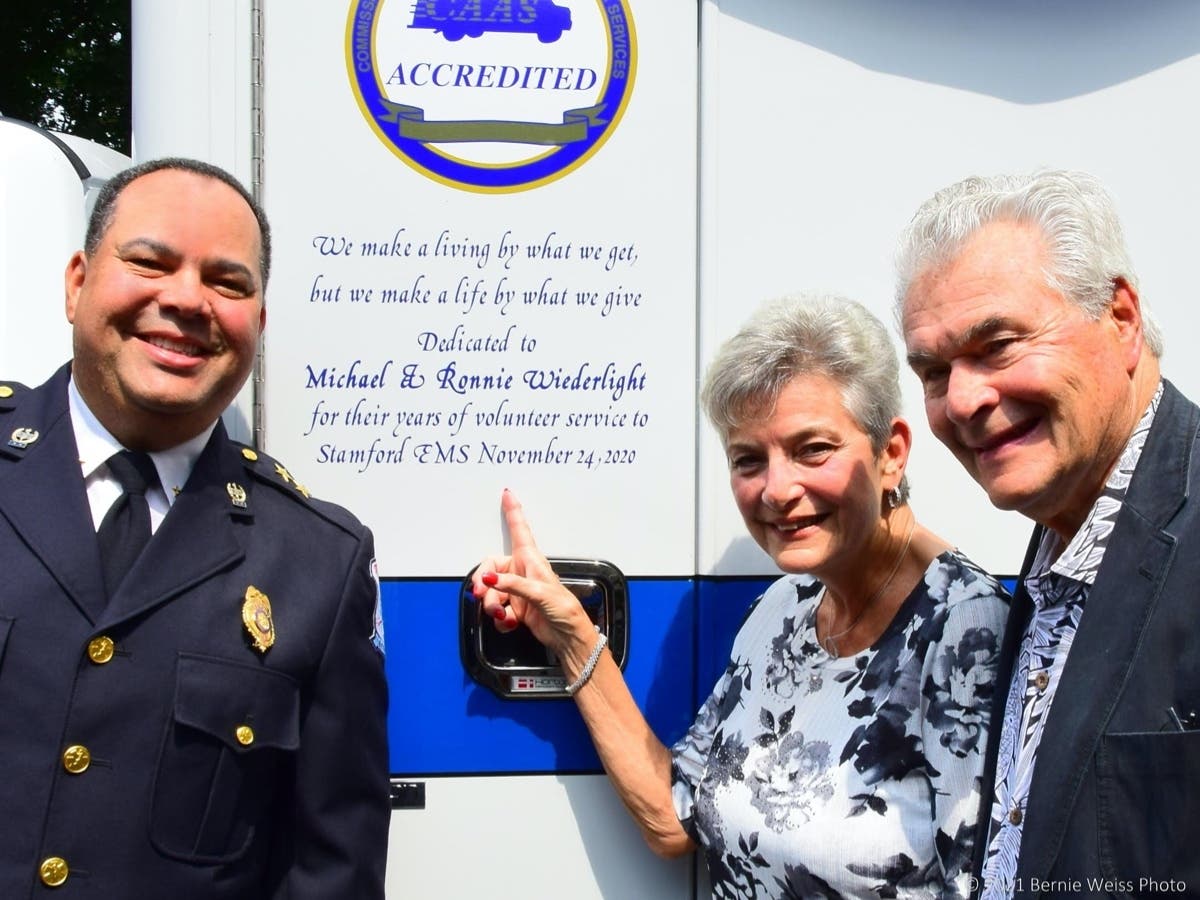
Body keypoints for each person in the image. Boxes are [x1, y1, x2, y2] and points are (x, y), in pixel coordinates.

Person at [473, 293, 1009, 899]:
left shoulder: (967, 631)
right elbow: (677, 819)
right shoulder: (781, 611)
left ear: (890, 452)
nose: (777, 490)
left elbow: (991, 883)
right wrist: (571, 638)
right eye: (748, 459)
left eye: (812, 449)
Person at [0, 158, 389, 897]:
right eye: (149, 261)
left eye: (228, 282)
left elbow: (330, 872)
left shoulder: (319, 562)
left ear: (259, 321)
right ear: (77, 281)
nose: (185, 300)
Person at [897, 169, 1197, 898]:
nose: (963, 400)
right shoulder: (1060, 531)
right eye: (935, 371)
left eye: (997, 344)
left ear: (1120, 318)